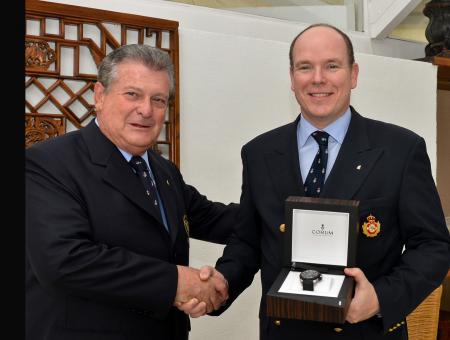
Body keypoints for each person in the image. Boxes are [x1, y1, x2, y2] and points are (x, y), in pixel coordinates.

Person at [200, 23, 450, 339]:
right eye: (305, 67)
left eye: (332, 66)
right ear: (292, 78)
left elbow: (432, 246)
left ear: (353, 74)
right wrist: (222, 282)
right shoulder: (259, 153)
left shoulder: (400, 151)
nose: (318, 78)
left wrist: (381, 298)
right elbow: (249, 240)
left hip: (364, 331)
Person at [25, 44, 235, 340]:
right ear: (99, 96)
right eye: (132, 94)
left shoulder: (163, 171)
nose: (146, 110)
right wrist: (175, 282)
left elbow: (217, 219)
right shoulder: (48, 163)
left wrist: (294, 213)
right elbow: (65, 261)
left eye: (158, 99)